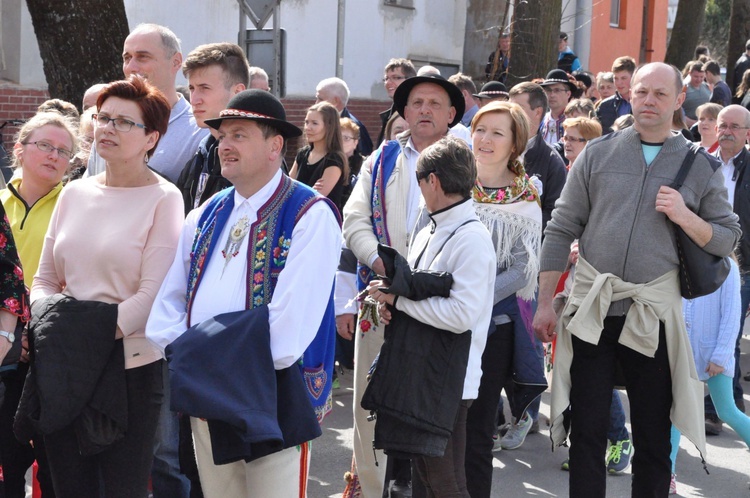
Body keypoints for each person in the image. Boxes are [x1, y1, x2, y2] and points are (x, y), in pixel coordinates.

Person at [532, 62, 741, 497]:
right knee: (586, 431)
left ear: (680, 100)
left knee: (651, 437)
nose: (649, 101)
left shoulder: (697, 164)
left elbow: (726, 237)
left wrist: (684, 216)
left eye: (660, 94)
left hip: (654, 316)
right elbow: (561, 227)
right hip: (593, 309)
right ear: (631, 96)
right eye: (642, 92)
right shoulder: (598, 153)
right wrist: (545, 301)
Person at [145, 88, 340, 498]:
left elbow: (288, 329)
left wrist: (201, 352)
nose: (225, 146)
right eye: (221, 137)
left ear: (275, 146)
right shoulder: (206, 212)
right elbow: (168, 301)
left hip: (271, 394)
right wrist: (187, 354)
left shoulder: (309, 214)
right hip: (208, 388)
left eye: (239, 134)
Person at [29, 75, 183, 497]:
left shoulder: (165, 199)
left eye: (123, 122)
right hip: (63, 365)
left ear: (151, 137)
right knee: (67, 488)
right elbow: (43, 280)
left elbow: (150, 297)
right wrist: (53, 331)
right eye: (102, 117)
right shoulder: (73, 194)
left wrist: (77, 335)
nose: (107, 128)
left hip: (128, 370)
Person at [342, 73, 464, 498]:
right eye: (416, 103)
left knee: (430, 417)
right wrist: (381, 264)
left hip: (439, 308)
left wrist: (417, 286)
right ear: (404, 112)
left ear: (451, 114)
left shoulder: (469, 161)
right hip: (382, 300)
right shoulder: (380, 160)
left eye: (435, 103)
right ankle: (374, 491)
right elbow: (354, 219)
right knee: (370, 409)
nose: (424, 110)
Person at [366, 135, 494, 497]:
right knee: (425, 479)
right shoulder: (431, 228)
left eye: (420, 181)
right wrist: (392, 306)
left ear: (432, 181)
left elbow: (461, 315)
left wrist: (401, 303)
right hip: (423, 374)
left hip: (449, 381)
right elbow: (419, 295)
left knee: (444, 482)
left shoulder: (472, 238)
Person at [463, 101, 543, 497]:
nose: (485, 139)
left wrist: (470, 300)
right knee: (437, 430)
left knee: (477, 431)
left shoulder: (526, 195)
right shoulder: (453, 180)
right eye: (480, 129)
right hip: (440, 322)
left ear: (515, 144)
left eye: (498, 132)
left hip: (493, 327)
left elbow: (522, 270)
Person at [0, 111, 76, 498]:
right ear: (19, 148)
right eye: (45, 146)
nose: (54, 156)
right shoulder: (0, 202)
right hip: (4, 346)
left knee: (55, 463)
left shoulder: (77, 204)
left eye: (64, 151)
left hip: (53, 345)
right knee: (7, 460)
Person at [86, 23, 208, 183]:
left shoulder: (198, 131)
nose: (131, 67)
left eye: (143, 57)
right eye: (127, 58)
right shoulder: (107, 124)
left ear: (176, 62)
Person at [670, 255, 750, 495]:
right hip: (682, 350)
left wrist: (721, 356)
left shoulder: (728, 267)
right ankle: (667, 472)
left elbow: (731, 315)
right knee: (674, 413)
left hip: (713, 355)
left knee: (726, 410)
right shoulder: (682, 258)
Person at [704, 104, 750, 436]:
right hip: (703, 259)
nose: (727, 131)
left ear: (747, 133)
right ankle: (724, 406)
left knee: (728, 333)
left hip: (743, 266)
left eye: (735, 126)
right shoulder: (701, 162)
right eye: (722, 125)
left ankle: (719, 409)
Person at [176, 42, 249, 214]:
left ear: (237, 92)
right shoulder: (202, 154)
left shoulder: (255, 157)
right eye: (192, 88)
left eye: (204, 88)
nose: (194, 99)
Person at [508, 82, 567, 232]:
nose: (511, 114)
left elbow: (553, 215)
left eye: (518, 109)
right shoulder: (497, 150)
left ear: (537, 112)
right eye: (509, 108)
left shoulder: (552, 162)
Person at [290, 102, 348, 211]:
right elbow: (287, 190)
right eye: (306, 122)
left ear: (329, 126)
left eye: (314, 123)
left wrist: (297, 192)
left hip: (321, 222)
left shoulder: (334, 160)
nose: (308, 128)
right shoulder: (302, 154)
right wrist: (307, 191)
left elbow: (314, 200)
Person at [316, 77, 373, 156]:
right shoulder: (320, 121)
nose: (316, 103)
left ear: (335, 101)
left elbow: (362, 159)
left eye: (320, 99)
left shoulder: (354, 127)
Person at [378, 58, 416, 145]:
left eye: (395, 78)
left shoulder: (417, 112)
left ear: (410, 80)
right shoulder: (389, 115)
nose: (388, 83)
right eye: (386, 78)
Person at [596, 56, 636, 133]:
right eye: (616, 78)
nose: (619, 83)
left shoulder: (642, 104)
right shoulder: (605, 106)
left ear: (633, 77)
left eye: (623, 78)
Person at [539, 69, 575, 145]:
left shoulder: (574, 121)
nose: (552, 95)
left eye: (557, 90)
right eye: (548, 90)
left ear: (568, 94)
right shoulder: (541, 120)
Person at [682, 61, 711, 128]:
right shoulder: (683, 88)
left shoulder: (708, 87)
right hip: (688, 127)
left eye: (701, 77)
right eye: (696, 76)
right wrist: (691, 122)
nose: (699, 79)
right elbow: (676, 110)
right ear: (689, 73)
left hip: (705, 127)